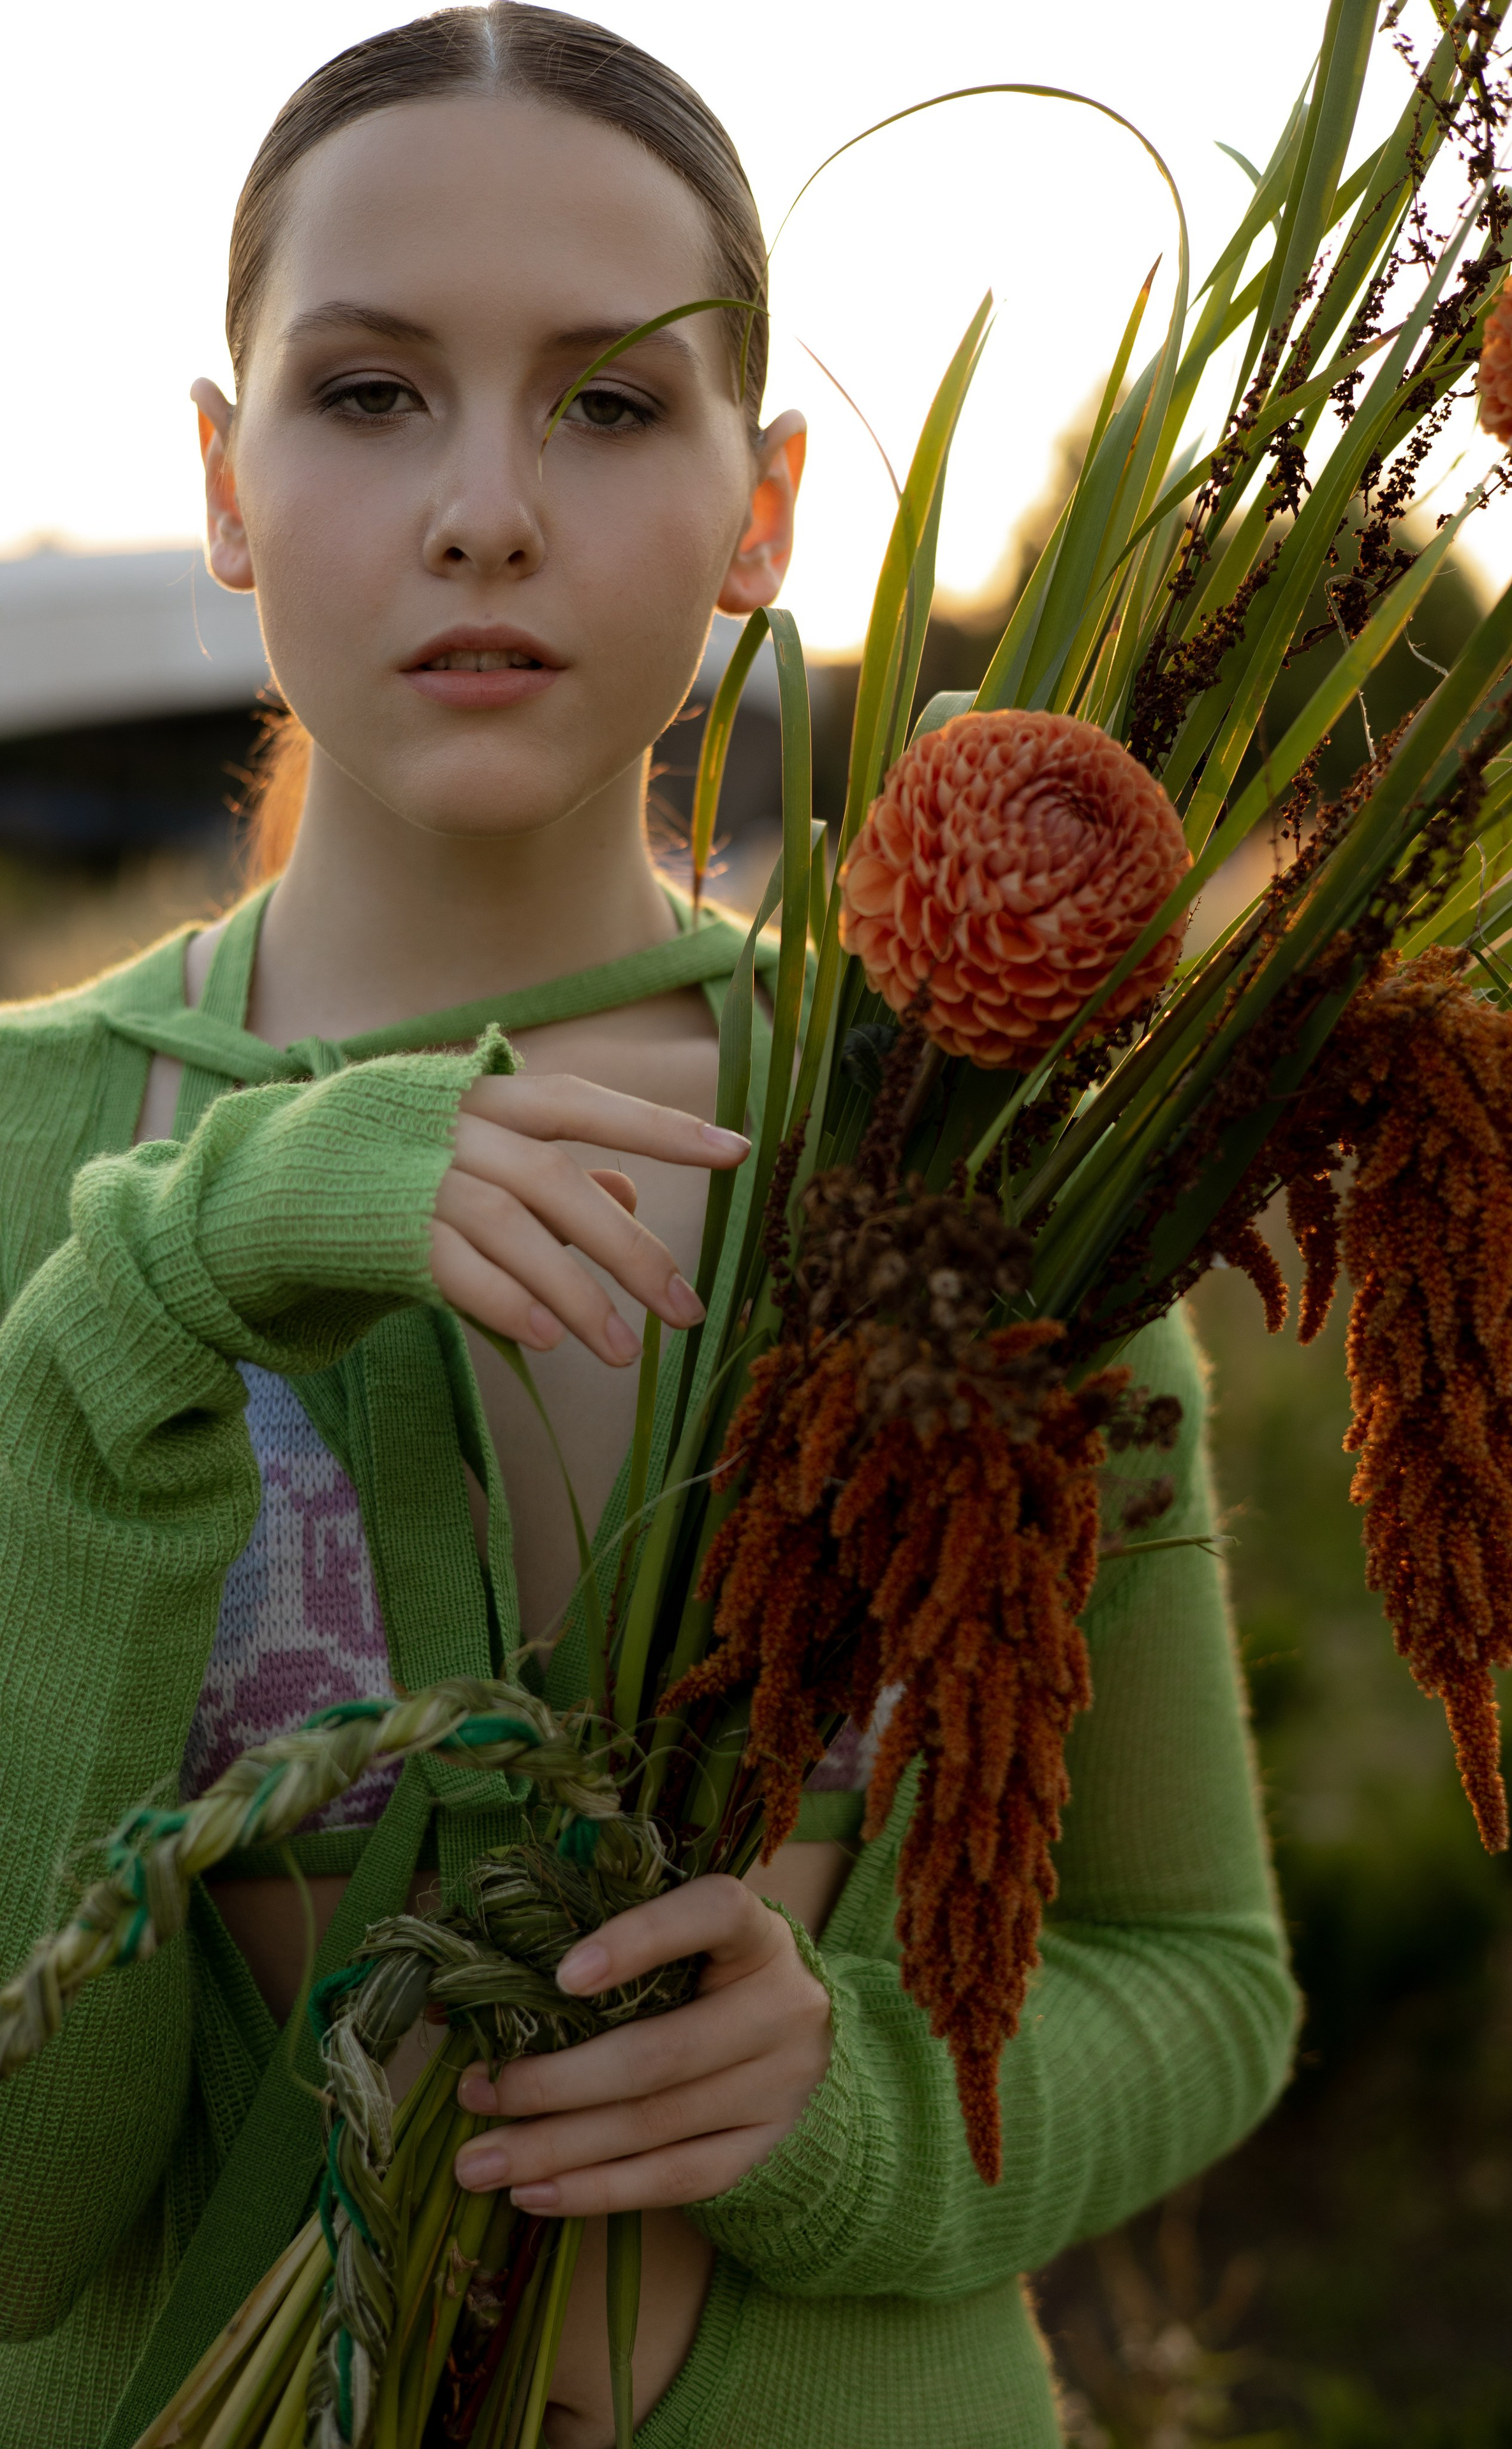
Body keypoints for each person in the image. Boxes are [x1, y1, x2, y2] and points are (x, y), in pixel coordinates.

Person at [0, 10, 1299, 2445]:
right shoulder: (30, 1158)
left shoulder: (977, 1160)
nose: (486, 508)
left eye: (611, 406)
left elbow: (1197, 1978)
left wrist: (853, 2122)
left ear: (770, 504)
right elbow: (18, 2220)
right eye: (372, 395)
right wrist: (146, 1307)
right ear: (224, 477)